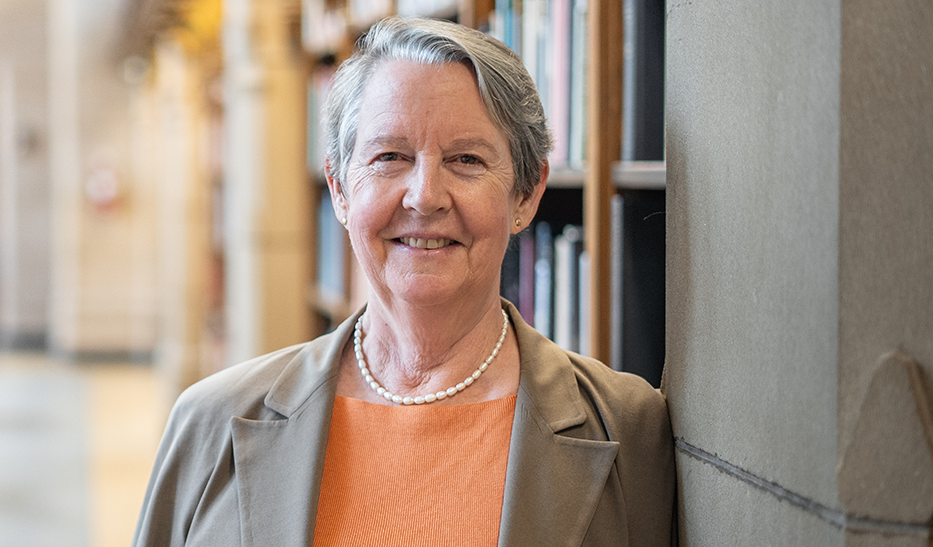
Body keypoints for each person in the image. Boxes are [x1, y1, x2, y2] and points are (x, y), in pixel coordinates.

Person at [132, 17, 674, 547]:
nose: (424, 196)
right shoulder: (210, 423)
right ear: (341, 191)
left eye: (466, 160)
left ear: (526, 195)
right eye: (389, 157)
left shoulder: (628, 430)